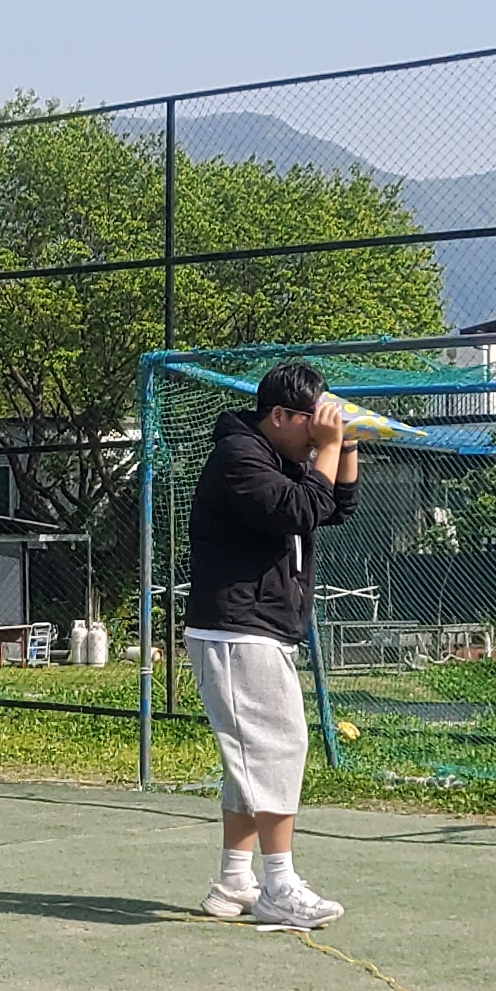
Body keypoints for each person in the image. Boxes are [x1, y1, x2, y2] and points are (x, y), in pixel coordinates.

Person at [184, 363, 360, 930]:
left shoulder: (278, 458)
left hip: (258, 628)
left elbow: (334, 507)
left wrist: (346, 446)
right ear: (279, 416)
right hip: (237, 629)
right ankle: (279, 886)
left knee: (248, 762)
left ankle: (235, 879)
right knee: (279, 749)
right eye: (313, 420)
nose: (319, 430)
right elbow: (299, 509)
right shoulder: (238, 458)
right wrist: (326, 450)